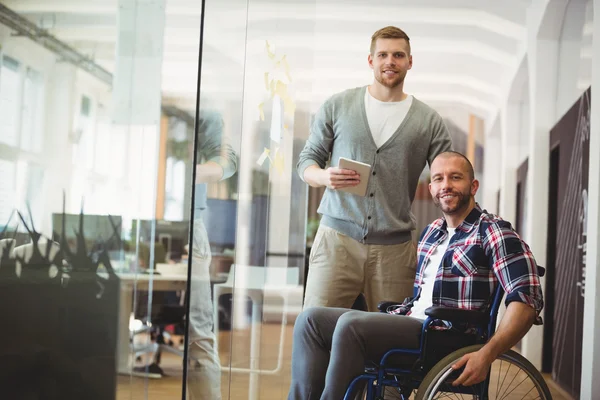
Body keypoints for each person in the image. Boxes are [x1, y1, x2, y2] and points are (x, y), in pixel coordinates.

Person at [288, 151, 544, 400]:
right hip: (413, 323)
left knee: (351, 325)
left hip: (446, 336)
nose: (446, 185)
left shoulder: (493, 231)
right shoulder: (431, 233)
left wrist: (487, 354)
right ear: (431, 188)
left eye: (456, 177)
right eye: (438, 179)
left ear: (473, 185)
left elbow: (526, 298)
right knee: (310, 320)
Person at [297, 26, 453, 311]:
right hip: (336, 243)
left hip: (394, 251)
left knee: (392, 342)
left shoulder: (429, 121)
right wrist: (324, 177)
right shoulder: (338, 105)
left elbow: (448, 175)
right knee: (315, 329)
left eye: (398, 55)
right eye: (382, 54)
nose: (390, 61)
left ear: (409, 61)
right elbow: (306, 161)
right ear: (371, 61)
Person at [188, 110, 238, 400]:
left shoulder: (203, 107)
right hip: (134, 221)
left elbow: (227, 160)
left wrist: (194, 172)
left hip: (189, 228)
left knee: (198, 327)